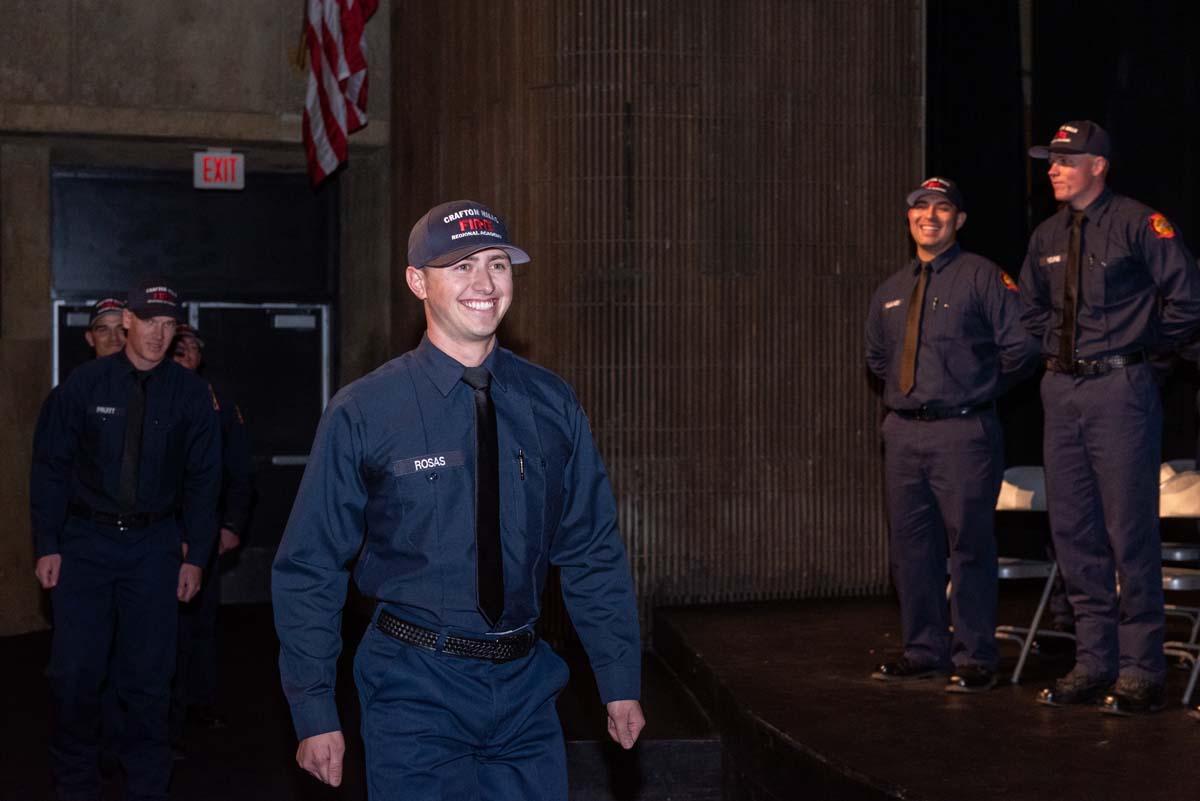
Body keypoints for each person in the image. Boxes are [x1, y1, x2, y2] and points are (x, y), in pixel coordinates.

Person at [272, 199, 645, 799]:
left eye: (497, 265)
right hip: (415, 687)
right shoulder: (365, 411)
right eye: (461, 266)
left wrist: (618, 674)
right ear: (418, 282)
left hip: (528, 688)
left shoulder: (551, 403)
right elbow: (311, 565)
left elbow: (592, 548)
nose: (484, 283)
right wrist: (314, 706)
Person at [1020, 120, 1200, 715]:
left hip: (1120, 389)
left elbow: (1188, 299)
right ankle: (1093, 662)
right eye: (1050, 159)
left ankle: (1141, 668)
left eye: (1066, 159)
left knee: (1129, 531)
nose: (1053, 167)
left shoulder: (1139, 223)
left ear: (1099, 164)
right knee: (1074, 533)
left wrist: (1147, 353)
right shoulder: (1046, 233)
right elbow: (1031, 312)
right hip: (1061, 392)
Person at [31, 278, 222, 801]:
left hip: (155, 548)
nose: (159, 335)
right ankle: (74, 784)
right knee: (75, 673)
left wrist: (196, 555)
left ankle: (147, 786)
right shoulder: (84, 386)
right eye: (149, 322)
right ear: (128, 323)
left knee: (149, 677)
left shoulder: (190, 394)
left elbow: (206, 480)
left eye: (168, 325)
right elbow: (50, 468)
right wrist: (48, 542)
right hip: (84, 546)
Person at [866, 177, 1039, 693]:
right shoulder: (891, 290)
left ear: (959, 220)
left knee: (969, 546)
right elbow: (877, 357)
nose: (930, 217)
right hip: (902, 435)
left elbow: (1023, 348)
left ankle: (976, 655)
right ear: (909, 218)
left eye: (942, 209)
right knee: (911, 549)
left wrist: (981, 389)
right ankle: (923, 650)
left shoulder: (983, 277)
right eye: (921, 208)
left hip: (964, 432)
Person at [170, 324, 254, 740]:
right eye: (176, 346)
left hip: (204, 533)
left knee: (201, 623)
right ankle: (159, 713)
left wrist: (231, 525)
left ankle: (199, 705)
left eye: (191, 348)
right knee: (157, 627)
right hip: (156, 535)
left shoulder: (219, 404)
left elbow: (239, 471)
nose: (183, 352)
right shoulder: (152, 395)